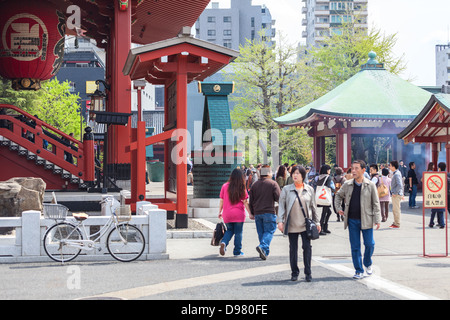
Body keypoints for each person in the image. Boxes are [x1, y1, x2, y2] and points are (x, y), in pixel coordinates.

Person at [335, 160, 381, 279]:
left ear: (363, 170)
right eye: (352, 168)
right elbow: (338, 195)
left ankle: (367, 263)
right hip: (352, 220)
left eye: (356, 168)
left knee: (370, 244)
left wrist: (377, 219)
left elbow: (376, 203)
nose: (353, 171)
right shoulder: (347, 184)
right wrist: (338, 208)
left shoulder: (370, 185)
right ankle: (358, 270)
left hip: (367, 219)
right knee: (355, 246)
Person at [277, 166, 320, 282]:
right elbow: (281, 206)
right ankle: (294, 272)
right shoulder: (286, 189)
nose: (295, 175)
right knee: (293, 249)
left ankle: (308, 272)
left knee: (307, 247)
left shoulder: (309, 189)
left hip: (306, 224)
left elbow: (313, 207)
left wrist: (317, 222)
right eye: (293, 173)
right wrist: (280, 221)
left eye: (297, 173)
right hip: (291, 224)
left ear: (303, 176)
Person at [249, 165, 281, 260]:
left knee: (261, 233)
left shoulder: (254, 184)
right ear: (267, 173)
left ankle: (264, 252)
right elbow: (279, 198)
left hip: (257, 212)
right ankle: (263, 247)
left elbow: (251, 200)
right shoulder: (273, 184)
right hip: (269, 211)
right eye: (271, 172)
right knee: (270, 230)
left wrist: (252, 212)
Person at [218, 169, 252, 256]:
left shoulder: (225, 186)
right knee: (238, 232)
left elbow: (221, 200)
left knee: (229, 230)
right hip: (238, 214)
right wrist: (250, 213)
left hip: (227, 214)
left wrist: (220, 211)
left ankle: (224, 243)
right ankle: (237, 251)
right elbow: (245, 202)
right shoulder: (241, 187)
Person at [315, 164, 335, 235]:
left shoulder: (319, 177)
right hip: (325, 197)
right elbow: (328, 186)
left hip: (320, 197)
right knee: (324, 213)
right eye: (329, 169)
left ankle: (324, 227)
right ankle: (321, 228)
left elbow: (316, 185)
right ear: (327, 170)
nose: (330, 171)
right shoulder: (328, 177)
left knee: (328, 212)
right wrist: (334, 190)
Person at [429, 162, 447, 229]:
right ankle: (442, 223)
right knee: (441, 211)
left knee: (433, 211)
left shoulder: (437, 175)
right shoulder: (447, 175)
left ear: (439, 168)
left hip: (436, 194)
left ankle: (431, 223)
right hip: (443, 195)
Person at [389, 160, 403, 229]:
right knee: (395, 209)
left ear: (393, 167)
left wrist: (395, 192)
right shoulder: (397, 173)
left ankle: (397, 223)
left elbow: (399, 185)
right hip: (396, 194)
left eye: (390, 166)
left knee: (396, 209)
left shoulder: (396, 174)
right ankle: (395, 222)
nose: (389, 167)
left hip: (396, 195)